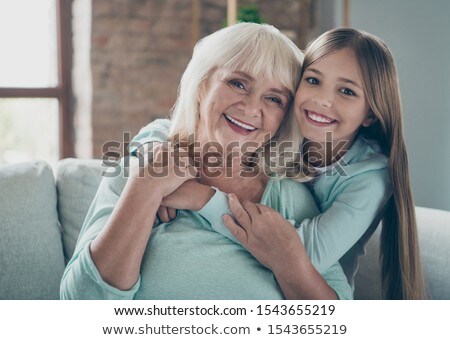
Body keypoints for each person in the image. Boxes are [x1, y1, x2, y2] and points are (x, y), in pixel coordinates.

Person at [60, 22, 352, 300]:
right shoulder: (139, 167)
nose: (251, 108)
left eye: (274, 99)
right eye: (238, 83)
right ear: (202, 85)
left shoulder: (290, 198)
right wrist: (146, 187)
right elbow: (81, 304)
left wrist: (289, 263)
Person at [136, 28, 426, 299]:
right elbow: (177, 126)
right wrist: (151, 151)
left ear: (370, 115)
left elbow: (297, 254)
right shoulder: (292, 131)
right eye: (313, 80)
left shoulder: (370, 180)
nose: (322, 100)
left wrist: (202, 198)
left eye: (347, 91)